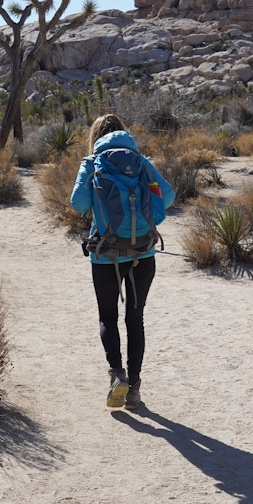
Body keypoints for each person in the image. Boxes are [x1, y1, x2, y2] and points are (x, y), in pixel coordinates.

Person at [70, 114, 175, 409]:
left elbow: (78, 204)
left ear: (95, 136)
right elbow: (167, 197)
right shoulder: (142, 162)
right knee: (135, 317)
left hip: (106, 254)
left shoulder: (91, 163)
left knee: (108, 317)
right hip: (143, 252)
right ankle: (135, 388)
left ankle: (117, 375)